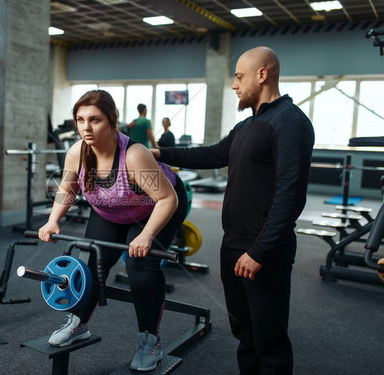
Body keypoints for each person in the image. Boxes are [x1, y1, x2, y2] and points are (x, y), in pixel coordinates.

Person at [151, 46, 315, 375]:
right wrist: (158, 153)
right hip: (233, 245)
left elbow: (290, 193)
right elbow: (212, 156)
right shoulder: (246, 126)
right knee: (245, 335)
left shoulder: (290, 122)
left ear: (262, 74)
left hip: (263, 250)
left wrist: (261, 250)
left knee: (269, 340)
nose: (234, 85)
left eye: (239, 76)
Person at [38, 89, 187, 372]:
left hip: (155, 207)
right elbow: (68, 188)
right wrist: (52, 219)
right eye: (80, 120)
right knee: (93, 263)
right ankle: (78, 324)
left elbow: (168, 199)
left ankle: (150, 341)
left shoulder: (134, 155)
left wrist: (145, 236)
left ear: (111, 121)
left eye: (94, 120)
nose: (86, 127)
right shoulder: (78, 152)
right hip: (111, 210)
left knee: (140, 266)